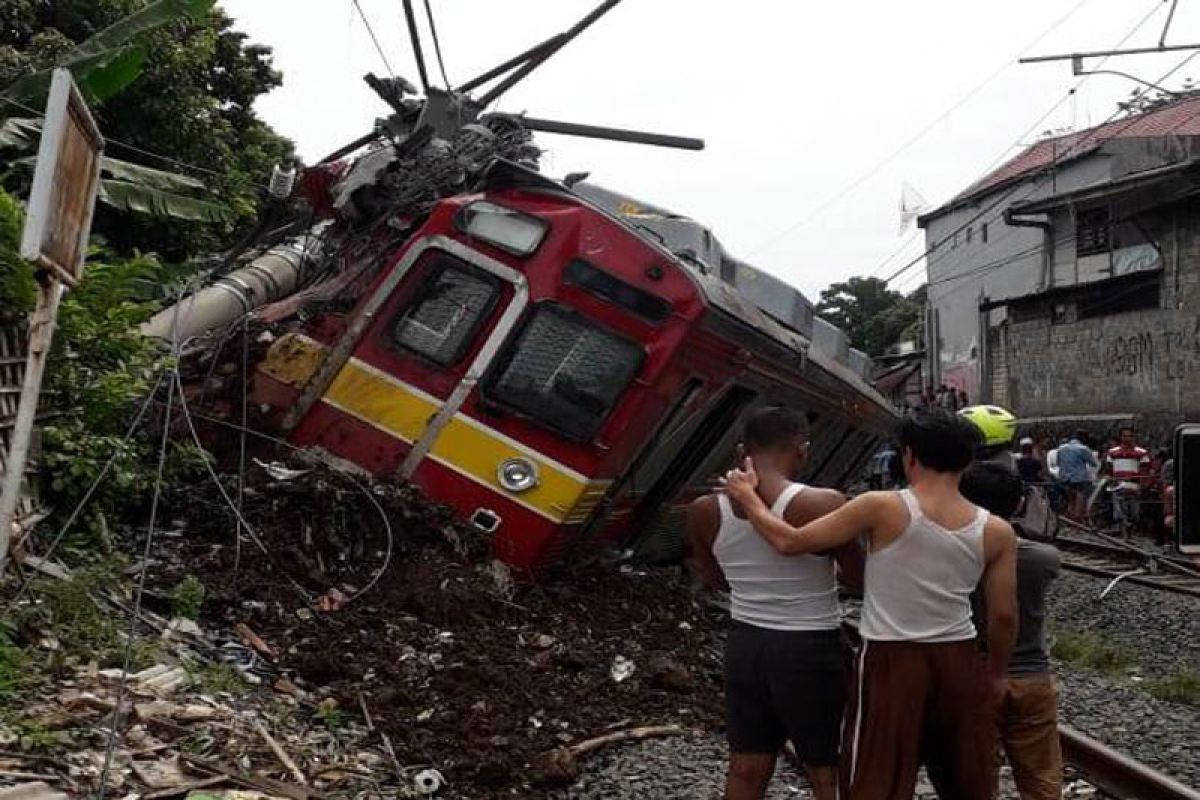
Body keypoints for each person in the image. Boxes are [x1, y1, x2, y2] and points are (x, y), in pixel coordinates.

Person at [724, 409, 1018, 800]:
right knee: (965, 773)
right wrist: (996, 674)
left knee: (876, 776)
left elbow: (790, 542)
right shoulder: (997, 530)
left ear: (909, 456)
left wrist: (749, 498)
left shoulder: (881, 507)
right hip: (958, 657)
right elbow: (1002, 615)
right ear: (967, 461)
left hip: (890, 659)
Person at [688, 406, 864, 800]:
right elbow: (859, 579)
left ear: (741, 451)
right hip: (810, 647)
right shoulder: (822, 503)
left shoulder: (703, 511)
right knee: (827, 766)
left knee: (747, 763)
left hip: (745, 645)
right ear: (801, 450)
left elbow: (715, 579)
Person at [960, 463, 1062, 800]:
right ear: (1018, 503)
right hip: (1032, 675)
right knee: (1041, 779)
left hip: (972, 676)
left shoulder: (953, 556)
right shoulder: (1044, 558)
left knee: (975, 778)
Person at [1105, 426, 1152, 535]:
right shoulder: (1112, 452)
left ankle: (1132, 527)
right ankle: (1122, 527)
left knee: (1134, 510)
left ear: (1133, 437)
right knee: (1119, 506)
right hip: (1118, 484)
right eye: (1125, 436)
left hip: (1134, 484)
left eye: (1130, 436)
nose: (1127, 438)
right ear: (1121, 437)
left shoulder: (1141, 452)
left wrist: (1143, 485)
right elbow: (1108, 469)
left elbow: (1145, 470)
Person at [1056, 430, 1098, 521]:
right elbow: (1093, 463)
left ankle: (1070, 518)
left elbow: (1058, 463)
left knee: (1070, 498)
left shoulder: (1061, 448)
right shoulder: (1083, 449)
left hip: (1064, 477)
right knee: (1081, 496)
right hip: (1080, 478)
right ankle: (1078, 518)